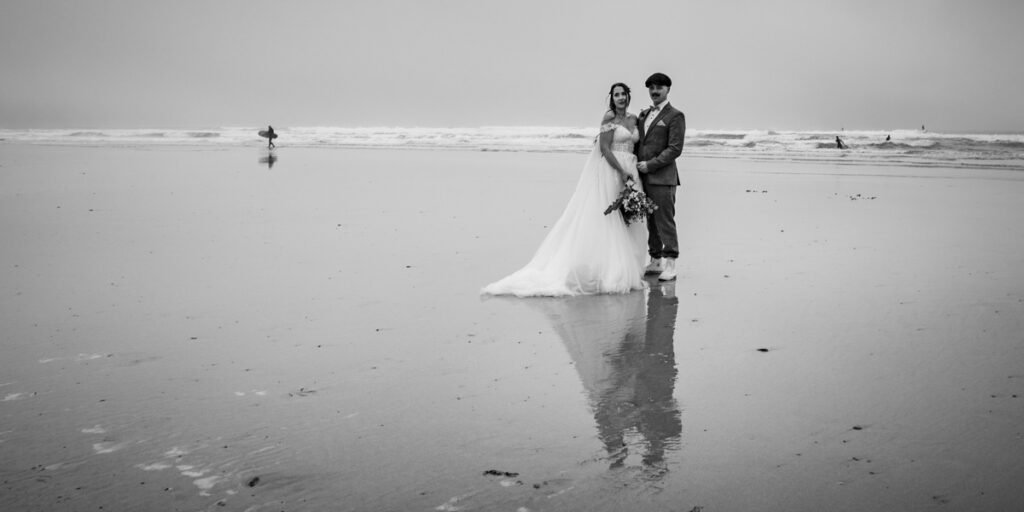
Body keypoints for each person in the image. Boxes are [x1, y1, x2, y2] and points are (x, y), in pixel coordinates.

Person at [481, 83, 647, 296]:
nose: (621, 98)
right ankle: (609, 268)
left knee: (630, 217)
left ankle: (630, 265)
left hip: (632, 169)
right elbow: (605, 148)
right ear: (612, 98)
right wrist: (621, 171)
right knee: (611, 218)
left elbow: (638, 142)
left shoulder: (634, 119)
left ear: (628, 96)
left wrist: (632, 171)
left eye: (623, 94)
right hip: (613, 171)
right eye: (616, 95)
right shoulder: (609, 118)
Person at [636, 73, 685, 281]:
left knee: (665, 220)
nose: (655, 91)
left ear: (668, 90)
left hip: (663, 178)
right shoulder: (644, 114)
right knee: (650, 220)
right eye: (652, 88)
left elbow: (674, 149)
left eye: (659, 88)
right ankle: (655, 260)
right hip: (642, 177)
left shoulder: (675, 115)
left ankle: (671, 263)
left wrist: (651, 165)